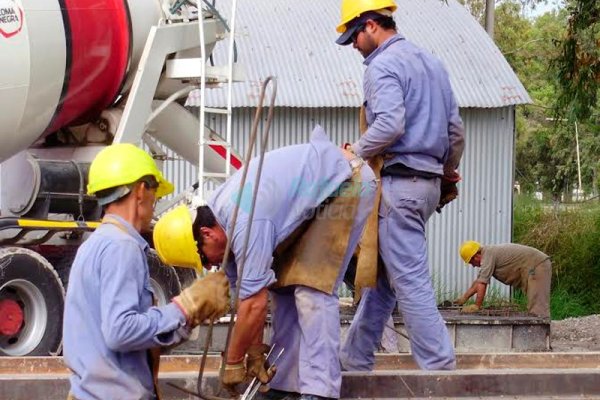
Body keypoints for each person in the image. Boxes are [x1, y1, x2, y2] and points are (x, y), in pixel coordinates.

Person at [154, 126, 376, 400]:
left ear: (206, 233)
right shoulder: (226, 226)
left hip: (347, 182)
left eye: (202, 257)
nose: (210, 265)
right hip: (322, 195)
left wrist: (234, 361)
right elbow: (249, 299)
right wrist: (255, 350)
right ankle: (283, 384)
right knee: (281, 290)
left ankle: (320, 391)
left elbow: (253, 303)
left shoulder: (244, 221)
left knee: (312, 289)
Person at [335, 0, 465, 371]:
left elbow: (390, 124)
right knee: (381, 280)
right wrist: (447, 172)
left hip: (399, 184)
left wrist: (354, 153)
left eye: (354, 37)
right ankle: (354, 359)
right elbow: (456, 132)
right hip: (425, 186)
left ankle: (441, 370)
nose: (354, 47)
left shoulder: (382, 65)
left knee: (409, 281)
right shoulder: (433, 64)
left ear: (372, 25)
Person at [63, 143, 230, 400]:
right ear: (141, 190)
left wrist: (185, 322)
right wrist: (183, 308)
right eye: (156, 194)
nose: (155, 203)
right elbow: (121, 331)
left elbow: (125, 340)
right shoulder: (122, 247)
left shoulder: (95, 244)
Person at [455, 241, 552, 318]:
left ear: (475, 256)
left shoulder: (488, 255)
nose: (472, 266)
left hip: (537, 265)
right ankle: (535, 335)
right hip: (532, 266)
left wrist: (477, 306)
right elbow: (478, 282)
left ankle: (540, 337)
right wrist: (463, 299)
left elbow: (482, 284)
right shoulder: (488, 254)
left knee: (538, 308)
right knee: (534, 305)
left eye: (471, 262)